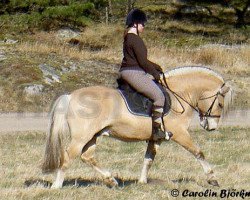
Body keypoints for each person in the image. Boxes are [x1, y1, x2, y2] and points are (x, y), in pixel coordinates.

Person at [119, 8, 171, 141]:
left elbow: (140, 60)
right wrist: (155, 73)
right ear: (135, 23)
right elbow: (142, 62)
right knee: (159, 97)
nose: (144, 26)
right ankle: (156, 131)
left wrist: (156, 67)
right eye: (143, 24)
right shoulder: (135, 39)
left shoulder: (128, 38)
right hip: (134, 72)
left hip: (130, 70)